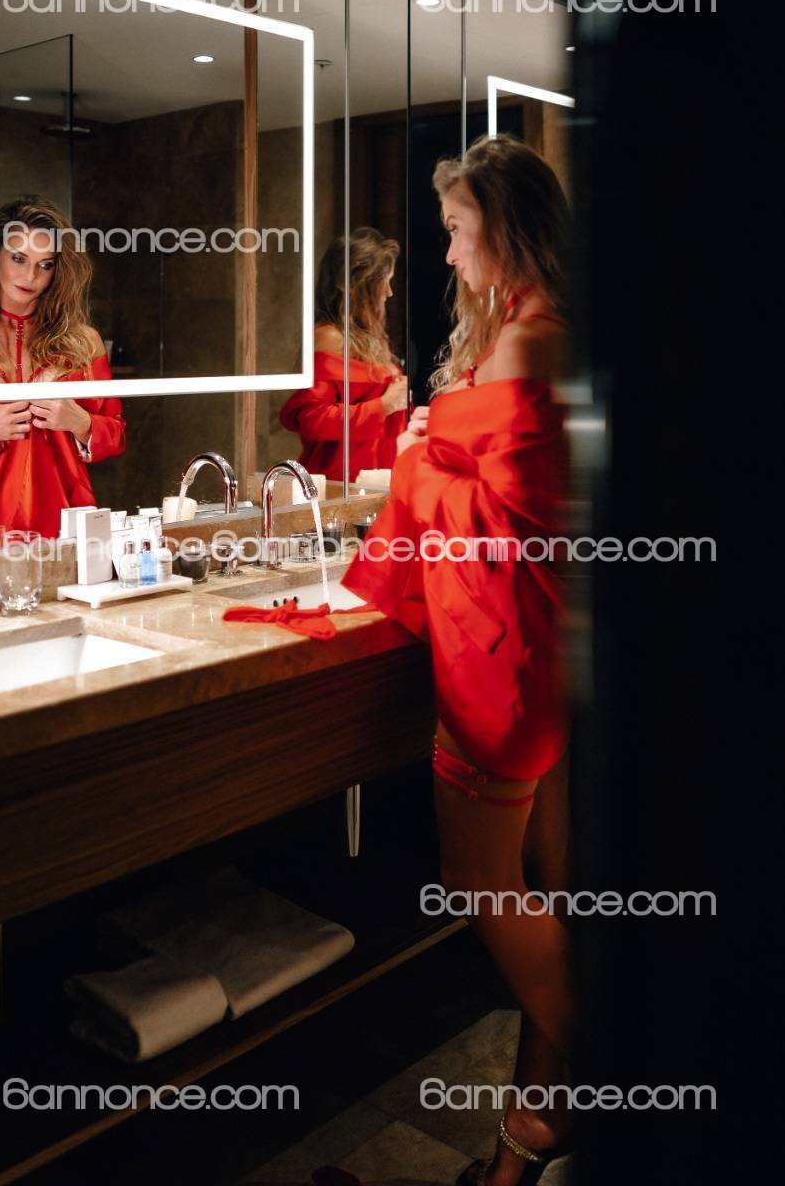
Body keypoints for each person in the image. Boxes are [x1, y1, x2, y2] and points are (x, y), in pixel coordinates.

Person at [343, 135, 573, 1186]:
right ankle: (530, 1131)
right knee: (547, 888)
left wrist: (415, 463)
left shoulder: (535, 342)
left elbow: (515, 522)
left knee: (479, 879)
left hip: (502, 651)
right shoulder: (526, 328)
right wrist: (428, 452)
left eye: (453, 230)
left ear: (504, 228)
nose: (443, 254)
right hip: (525, 643)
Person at [0, 195, 125, 537]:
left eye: (45, 264)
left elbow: (116, 435)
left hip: (69, 527)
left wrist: (80, 422)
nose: (30, 275)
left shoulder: (84, 342)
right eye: (18, 258)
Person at [279, 227, 408, 482]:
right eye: (384, 281)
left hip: (375, 480)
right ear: (358, 285)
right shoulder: (331, 337)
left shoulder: (368, 338)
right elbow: (313, 420)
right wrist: (384, 405)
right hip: (341, 483)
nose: (389, 292)